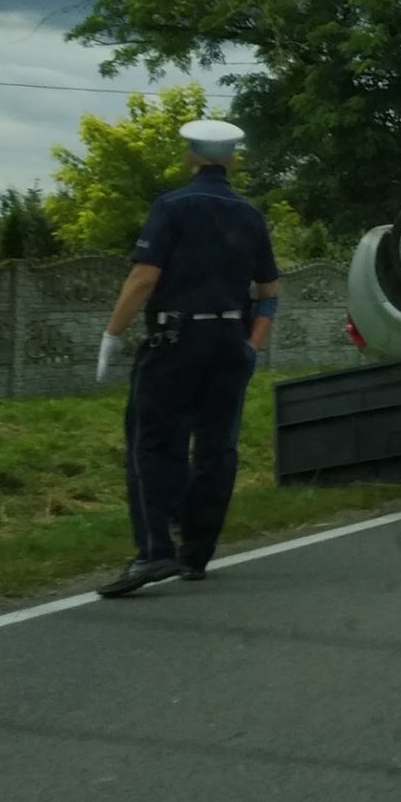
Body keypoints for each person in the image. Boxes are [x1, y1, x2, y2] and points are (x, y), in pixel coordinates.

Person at [94, 119, 280, 597]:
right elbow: (270, 294)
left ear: (191, 156)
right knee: (217, 449)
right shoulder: (251, 215)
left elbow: (143, 277)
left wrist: (112, 334)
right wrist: (251, 346)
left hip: (174, 340)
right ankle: (195, 554)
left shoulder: (172, 206)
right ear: (232, 158)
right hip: (229, 343)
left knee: (151, 442)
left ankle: (155, 551)